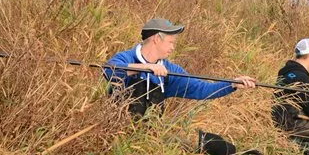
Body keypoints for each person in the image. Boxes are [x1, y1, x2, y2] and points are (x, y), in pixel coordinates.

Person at [104, 17, 257, 117]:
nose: (172, 48)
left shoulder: (171, 71)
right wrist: (145, 68)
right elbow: (108, 70)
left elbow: (201, 89)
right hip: (116, 134)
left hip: (149, 140)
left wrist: (232, 84)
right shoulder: (126, 57)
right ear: (157, 39)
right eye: (171, 42)